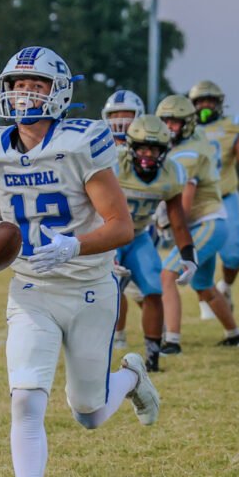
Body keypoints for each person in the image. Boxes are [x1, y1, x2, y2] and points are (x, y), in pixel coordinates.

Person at [0, 46, 161, 477]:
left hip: (87, 287)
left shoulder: (81, 144)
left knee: (87, 411)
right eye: (17, 84)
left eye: (35, 85)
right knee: (25, 400)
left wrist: (74, 244)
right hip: (30, 290)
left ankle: (129, 378)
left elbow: (121, 226)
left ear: (58, 92)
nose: (24, 94)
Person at [155, 94, 239, 351]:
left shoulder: (188, 153)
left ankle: (172, 341)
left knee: (167, 274)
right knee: (204, 286)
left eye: (174, 122)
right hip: (208, 221)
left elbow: (185, 203)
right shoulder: (193, 139)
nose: (168, 128)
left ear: (187, 123)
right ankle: (236, 336)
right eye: (165, 121)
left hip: (205, 223)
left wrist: (168, 223)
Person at [113, 114, 195, 371]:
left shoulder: (171, 173)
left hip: (137, 236)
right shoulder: (113, 165)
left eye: (154, 149)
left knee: (153, 290)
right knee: (104, 292)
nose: (148, 154)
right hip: (107, 234)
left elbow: (177, 220)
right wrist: (105, 253)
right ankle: (98, 351)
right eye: (142, 148)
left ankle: (152, 358)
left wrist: (189, 257)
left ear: (165, 150)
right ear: (130, 147)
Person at [188, 80, 239, 317]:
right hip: (198, 201)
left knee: (233, 256)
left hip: (226, 197)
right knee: (200, 253)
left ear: (220, 104)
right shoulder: (185, 130)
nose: (206, 105)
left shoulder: (232, 126)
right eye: (201, 101)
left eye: (210, 101)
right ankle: (206, 296)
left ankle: (225, 287)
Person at [100, 89, 146, 349]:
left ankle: (157, 326)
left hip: (139, 226)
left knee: (143, 284)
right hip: (109, 223)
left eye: (125, 113)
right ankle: (118, 334)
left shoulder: (148, 146)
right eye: (114, 114)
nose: (119, 119)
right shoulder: (100, 145)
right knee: (113, 282)